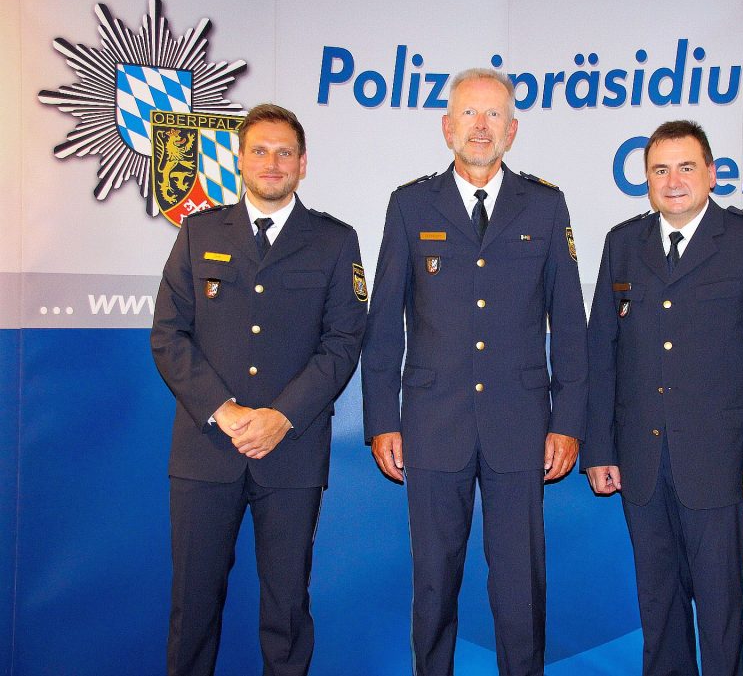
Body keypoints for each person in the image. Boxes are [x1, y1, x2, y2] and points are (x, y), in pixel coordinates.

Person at [361, 68, 587, 676]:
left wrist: (567, 422)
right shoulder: (410, 205)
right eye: (468, 114)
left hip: (520, 426)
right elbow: (384, 322)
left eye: (493, 116)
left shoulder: (546, 204)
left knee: (521, 587)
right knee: (433, 583)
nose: (480, 127)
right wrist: (382, 419)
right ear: (447, 127)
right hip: (434, 425)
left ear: (512, 131)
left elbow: (569, 323)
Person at [151, 103, 367, 676]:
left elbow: (344, 341)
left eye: (285, 152)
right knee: (192, 609)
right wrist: (221, 411)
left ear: (303, 165)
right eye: (260, 150)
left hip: (290, 452)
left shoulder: (334, 240)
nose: (272, 162)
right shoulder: (199, 232)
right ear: (240, 159)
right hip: (206, 451)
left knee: (287, 609)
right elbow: (169, 335)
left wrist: (282, 416)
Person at [583, 120, 743, 676]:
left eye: (686, 167)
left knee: (724, 610)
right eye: (660, 170)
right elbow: (601, 355)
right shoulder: (622, 243)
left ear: (712, 173)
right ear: (646, 180)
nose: (673, 180)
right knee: (659, 607)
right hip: (642, 463)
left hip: (721, 465)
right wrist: (600, 449)